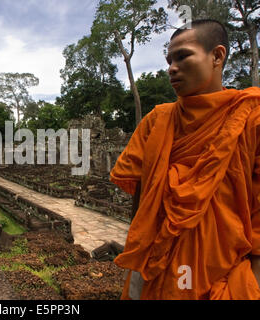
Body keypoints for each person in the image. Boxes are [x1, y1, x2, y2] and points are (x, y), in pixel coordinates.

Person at [110, 19, 260, 300]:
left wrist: (254, 279)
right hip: (153, 264)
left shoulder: (251, 118)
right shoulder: (157, 120)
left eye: (183, 56)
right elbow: (142, 198)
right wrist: (139, 250)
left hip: (219, 270)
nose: (171, 68)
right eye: (169, 60)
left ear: (217, 56)